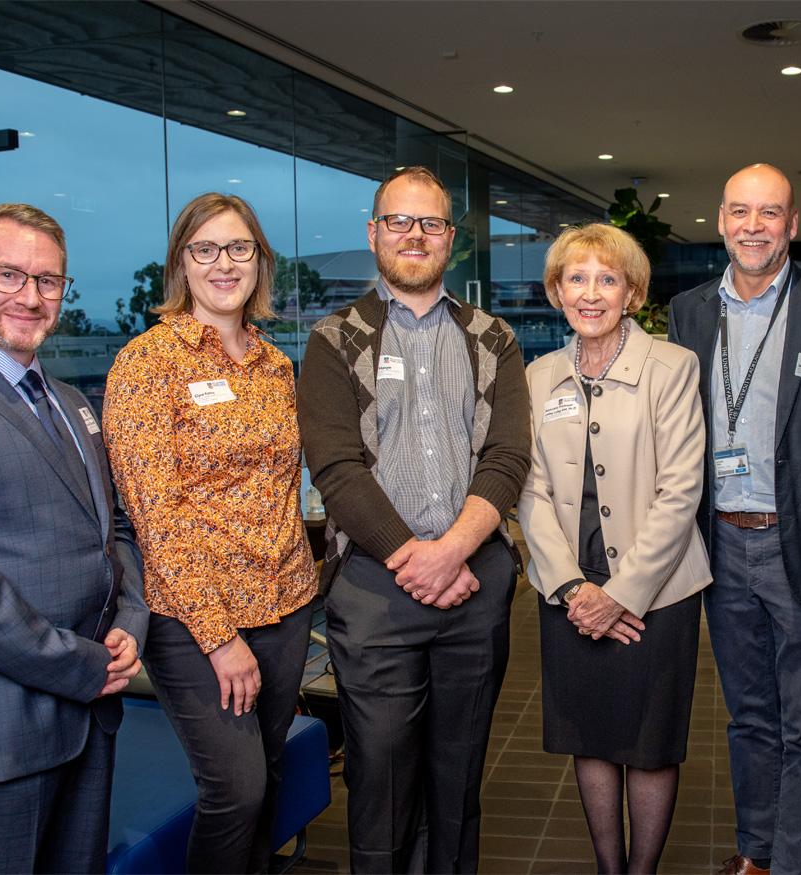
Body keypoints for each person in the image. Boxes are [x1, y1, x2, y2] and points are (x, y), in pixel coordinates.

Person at [296, 166, 531, 874]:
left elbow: (507, 455)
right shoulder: (334, 339)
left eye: (429, 223)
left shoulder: (493, 338)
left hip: (473, 586)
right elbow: (336, 470)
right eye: (398, 221)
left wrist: (454, 550)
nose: (414, 235)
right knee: (381, 779)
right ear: (373, 233)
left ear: (450, 240)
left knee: (457, 781)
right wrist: (416, 556)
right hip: (373, 588)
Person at [667, 163, 801, 875]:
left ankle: (795, 865)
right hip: (721, 544)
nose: (753, 225)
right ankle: (756, 856)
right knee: (750, 718)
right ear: (721, 220)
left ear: (792, 224)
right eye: (740, 211)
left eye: (769, 213)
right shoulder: (689, 311)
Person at [103, 193, 316, 873]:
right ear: (181, 263)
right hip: (194, 615)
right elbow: (155, 514)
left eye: (239, 248)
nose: (224, 263)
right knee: (236, 787)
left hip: (285, 604)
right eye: (205, 249)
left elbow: (286, 485)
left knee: (269, 777)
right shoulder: (148, 364)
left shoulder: (276, 365)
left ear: (260, 261)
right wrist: (220, 638)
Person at [0, 203, 147, 873]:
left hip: (89, 723)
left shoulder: (71, 402)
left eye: (49, 280)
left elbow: (114, 528)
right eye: (8, 274)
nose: (31, 297)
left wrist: (130, 621)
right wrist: (83, 664)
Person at [518, 224, 712, 873]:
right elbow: (531, 491)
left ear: (631, 292)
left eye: (607, 279)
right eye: (576, 278)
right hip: (568, 591)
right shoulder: (538, 376)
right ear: (556, 291)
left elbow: (681, 489)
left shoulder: (672, 366)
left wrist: (621, 594)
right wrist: (573, 589)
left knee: (650, 745)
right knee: (591, 739)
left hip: (656, 594)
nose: (591, 292)